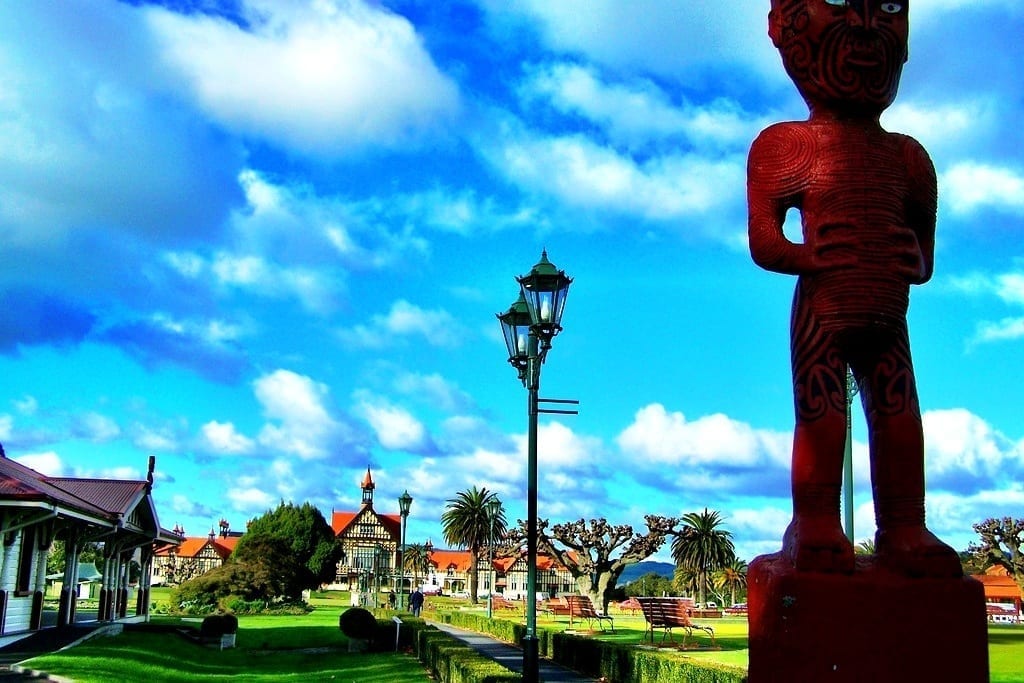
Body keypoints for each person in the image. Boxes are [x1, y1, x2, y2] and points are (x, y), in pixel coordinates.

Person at [746, 0, 960, 578]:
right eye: (837, 4)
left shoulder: (909, 158)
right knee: (820, 413)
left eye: (887, 7)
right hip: (823, 306)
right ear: (779, 24)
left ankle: (904, 525)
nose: (864, 27)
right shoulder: (784, 147)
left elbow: (923, 255)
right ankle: (813, 521)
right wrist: (806, 254)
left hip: (889, 312)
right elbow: (765, 242)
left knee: (897, 414)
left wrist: (912, 257)